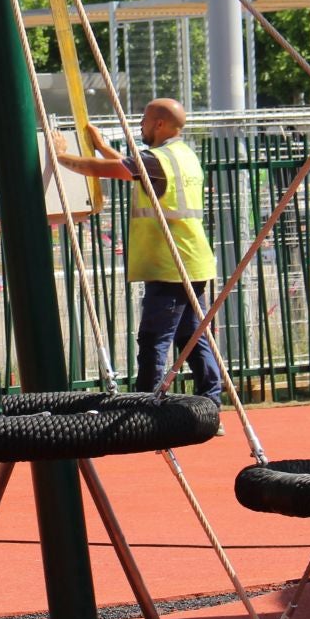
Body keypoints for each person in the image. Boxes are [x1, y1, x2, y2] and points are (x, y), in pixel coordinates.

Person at [56, 98, 222, 404]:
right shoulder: (183, 155)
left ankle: (147, 404)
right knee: (192, 336)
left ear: (159, 124)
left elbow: (106, 169)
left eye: (145, 120)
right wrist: (102, 145)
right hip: (194, 260)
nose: (141, 126)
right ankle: (211, 400)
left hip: (170, 264)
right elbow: (134, 168)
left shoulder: (157, 159)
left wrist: (61, 156)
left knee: (153, 338)